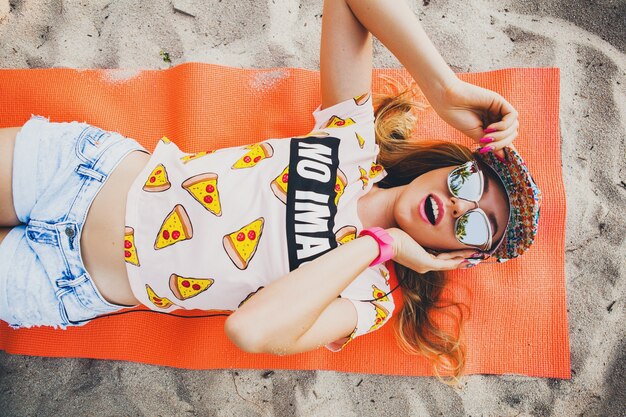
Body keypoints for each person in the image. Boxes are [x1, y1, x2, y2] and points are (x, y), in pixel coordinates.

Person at [0, 0, 540, 383]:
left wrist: (383, 246)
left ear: (459, 255)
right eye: (470, 181)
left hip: (61, 280)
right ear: (451, 163)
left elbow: (251, 330)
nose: (459, 204)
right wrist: (443, 90)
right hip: (81, 171)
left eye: (475, 225)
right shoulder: (350, 145)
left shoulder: (367, 298)